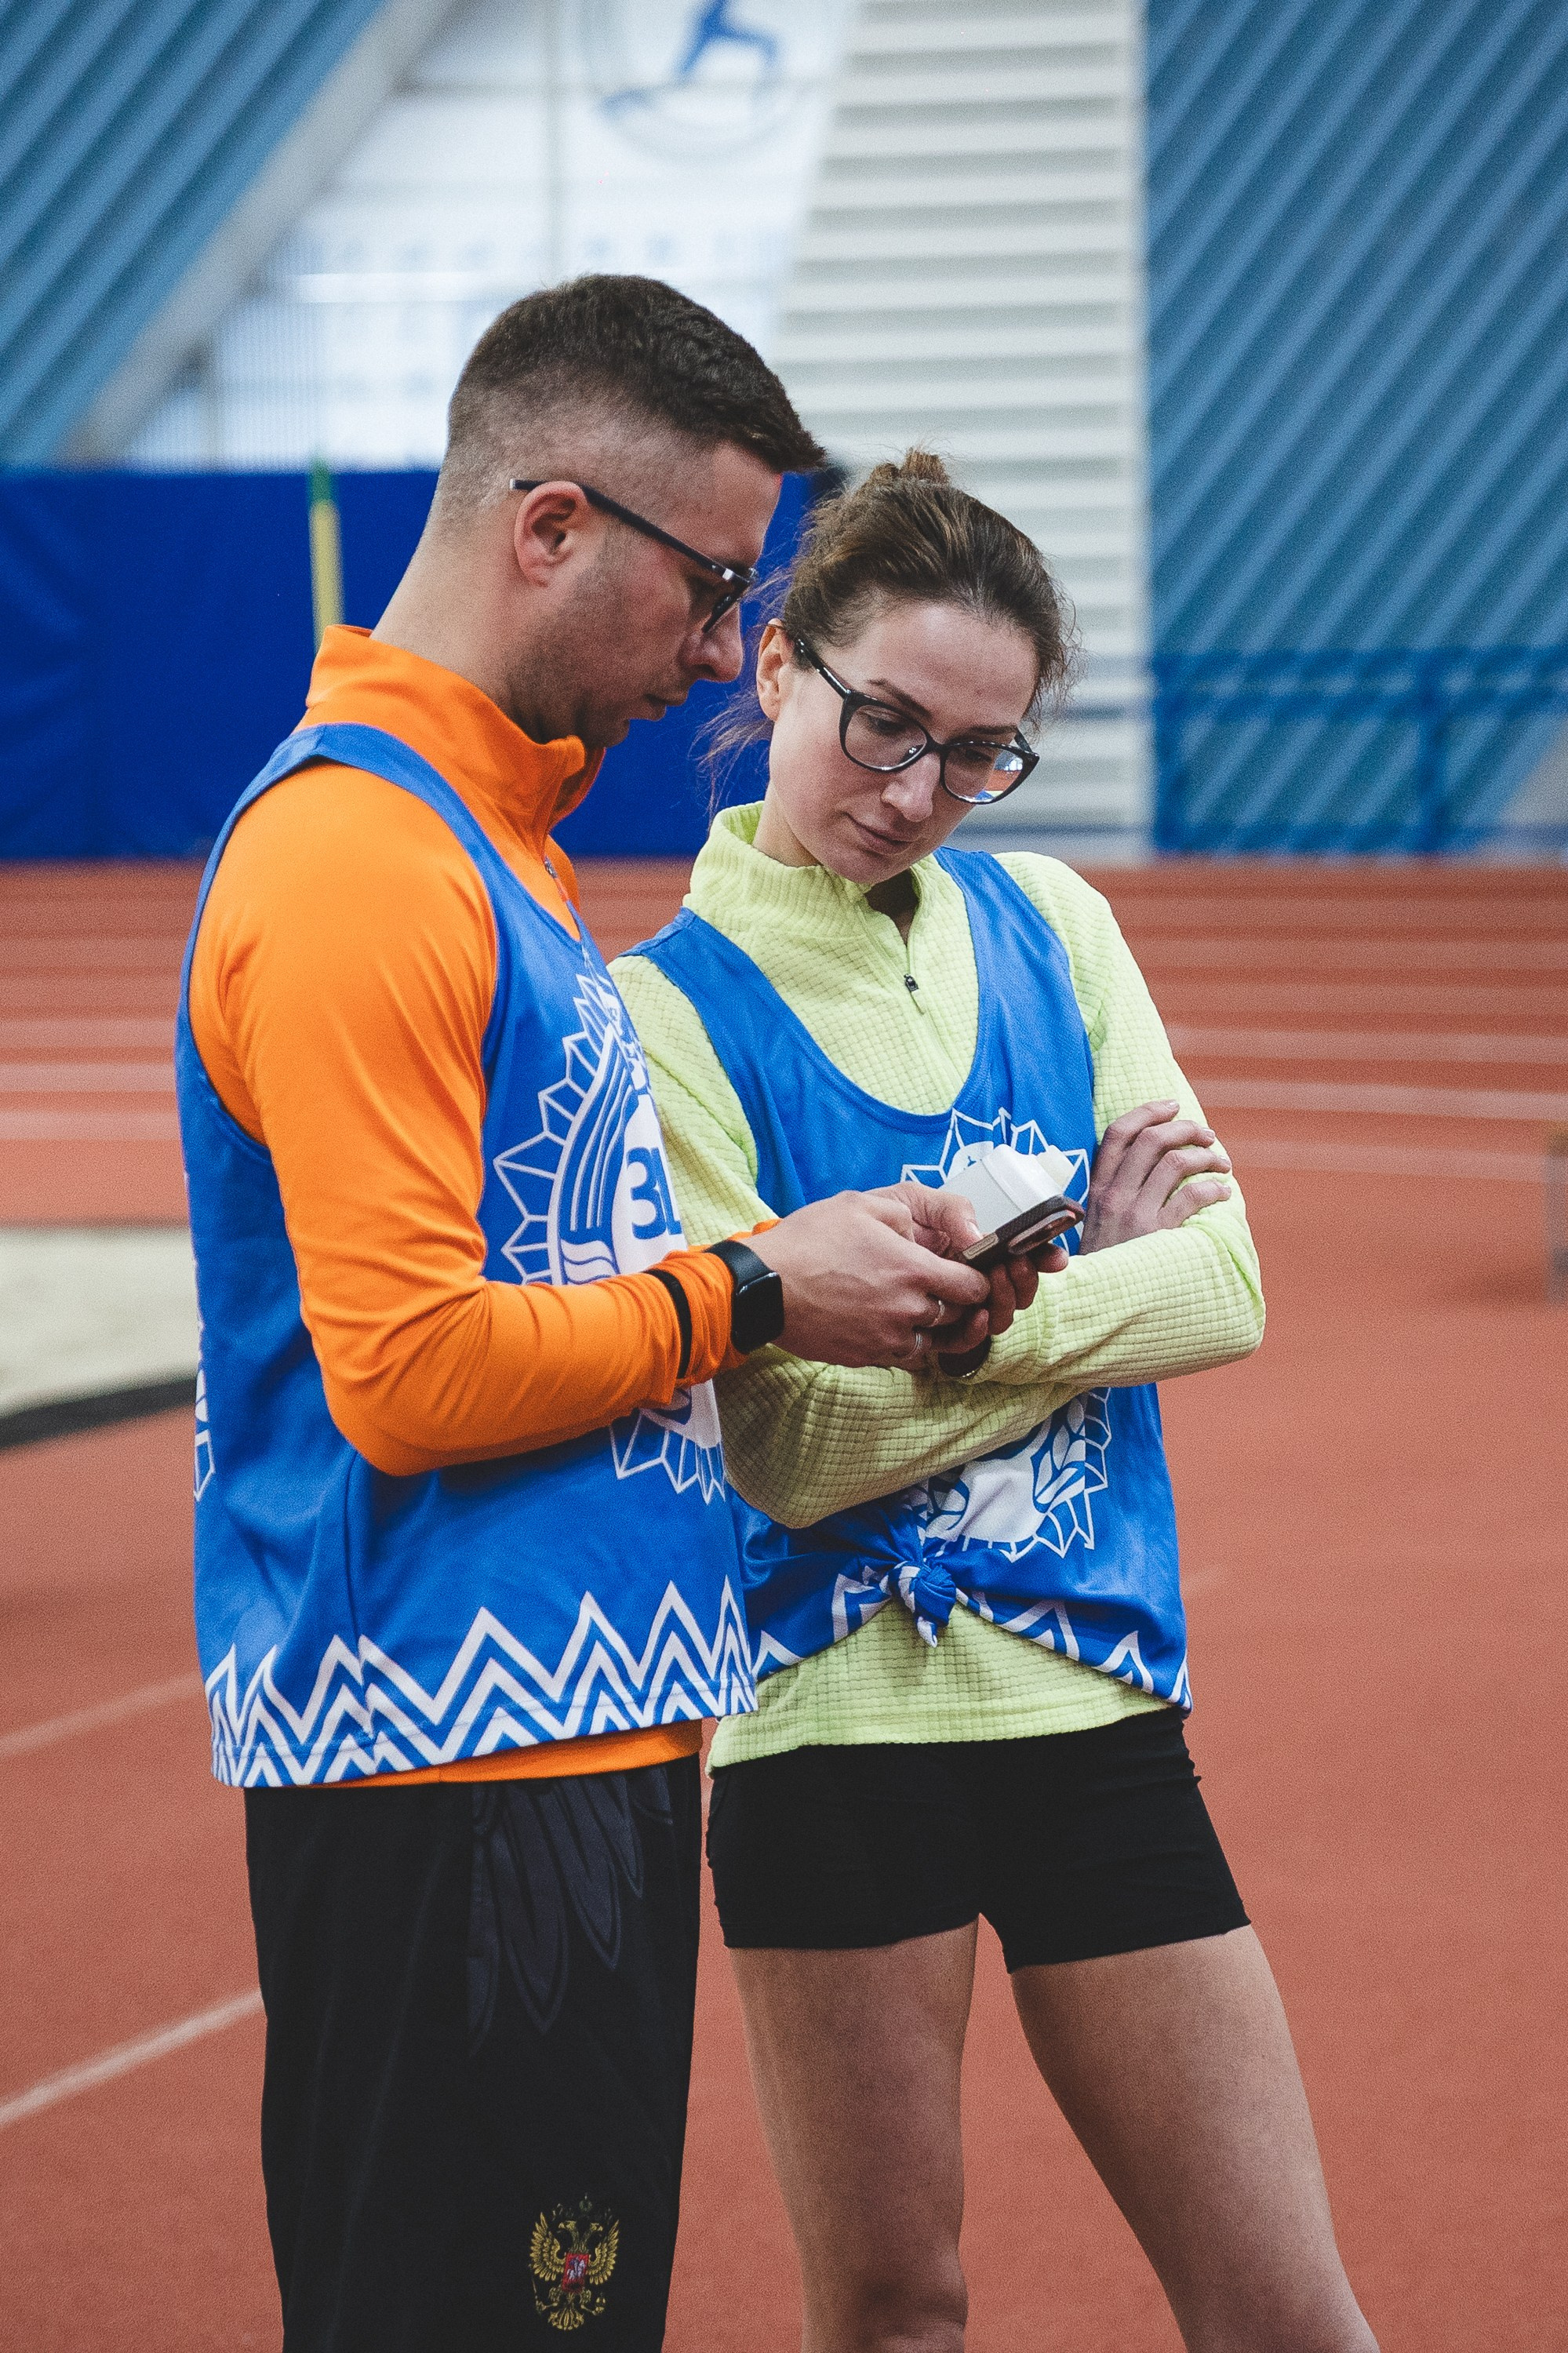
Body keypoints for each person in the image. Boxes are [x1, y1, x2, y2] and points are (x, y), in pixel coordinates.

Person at [177, 287, 1001, 2353]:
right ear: (552, 527)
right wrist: (750, 1289)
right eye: (714, 584)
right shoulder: (366, 857)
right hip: (455, 1761)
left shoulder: (491, 843)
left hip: (556, 1735)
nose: (731, 650)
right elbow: (408, 1373)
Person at [613, 451, 1379, 2352]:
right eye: (883, 723)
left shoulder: (1056, 926)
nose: (914, 794)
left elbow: (1221, 1281)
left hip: (1093, 1700)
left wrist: (950, 1321)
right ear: (778, 663)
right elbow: (784, 1454)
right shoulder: (662, 1015)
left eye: (978, 753)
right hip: (820, 1729)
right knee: (896, 2312)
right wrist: (1070, 1284)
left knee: (1290, 2312)